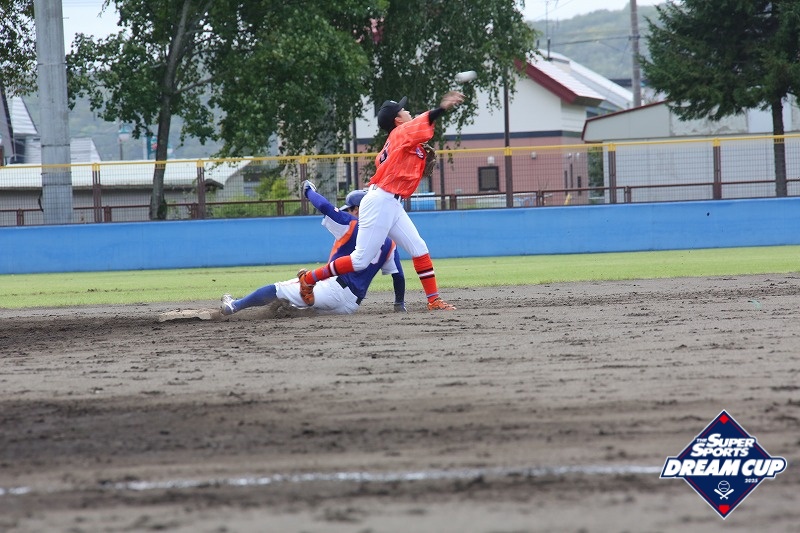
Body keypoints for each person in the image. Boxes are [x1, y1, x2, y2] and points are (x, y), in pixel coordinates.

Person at [297, 91, 465, 311]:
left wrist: (418, 160)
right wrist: (442, 108)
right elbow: (425, 121)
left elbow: (393, 166)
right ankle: (309, 279)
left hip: (392, 203)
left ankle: (433, 300)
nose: (408, 111)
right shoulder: (401, 132)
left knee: (419, 248)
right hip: (381, 201)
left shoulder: (396, 140)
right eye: (403, 110)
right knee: (359, 260)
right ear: (397, 120)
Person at [220, 184, 407, 316]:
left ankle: (234, 305)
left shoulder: (351, 223)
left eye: (350, 209)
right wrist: (399, 304)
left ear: (358, 209)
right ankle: (296, 308)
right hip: (350, 307)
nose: (348, 212)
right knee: (301, 307)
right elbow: (398, 277)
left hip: (333, 289)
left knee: (278, 289)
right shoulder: (390, 242)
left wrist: (308, 190)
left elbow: (324, 206)